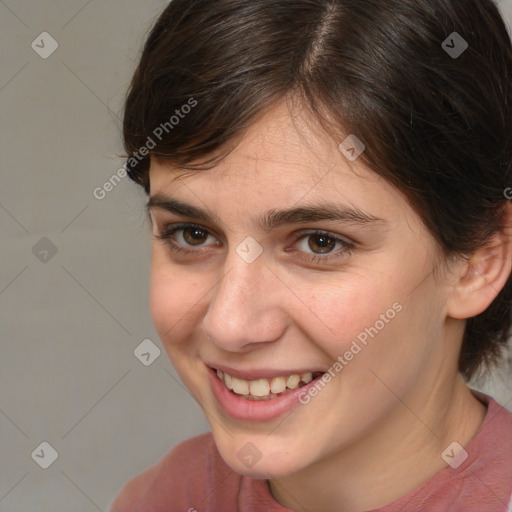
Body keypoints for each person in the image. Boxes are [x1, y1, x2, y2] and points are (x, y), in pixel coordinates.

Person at [110, 0, 512, 510]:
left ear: (479, 259)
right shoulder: (160, 500)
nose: (229, 324)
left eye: (319, 242)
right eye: (192, 234)